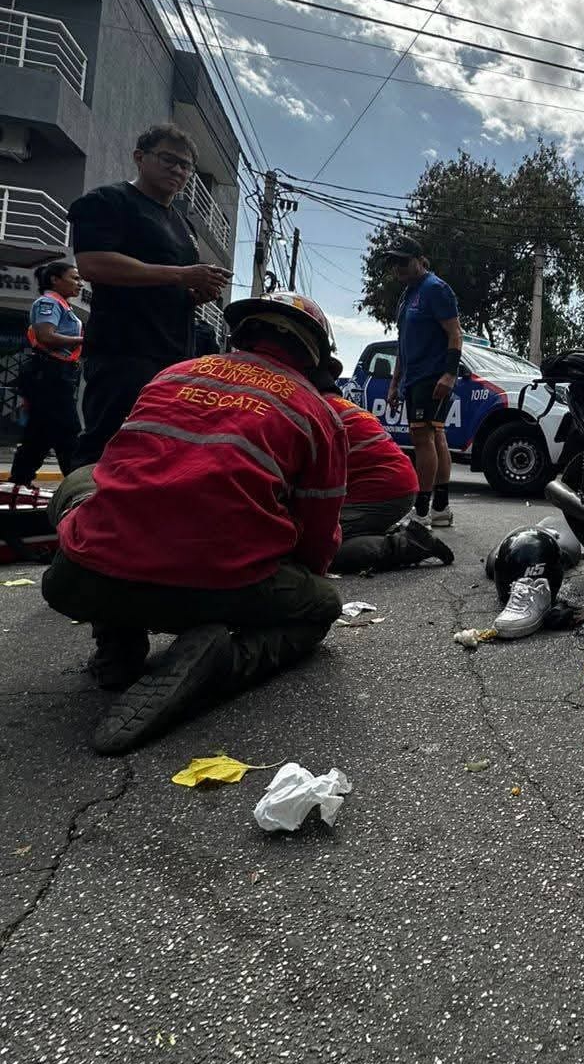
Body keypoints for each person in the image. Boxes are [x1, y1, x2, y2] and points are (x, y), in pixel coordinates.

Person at [41, 291, 348, 756]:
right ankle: (224, 661)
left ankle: (117, 648)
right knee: (321, 603)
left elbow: (121, 471)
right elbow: (318, 536)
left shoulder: (171, 375)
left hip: (76, 580)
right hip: (214, 589)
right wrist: (296, 577)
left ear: (240, 335)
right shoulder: (315, 412)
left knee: (85, 480)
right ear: (314, 357)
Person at [68, 124, 231, 468]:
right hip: (123, 353)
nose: (178, 170)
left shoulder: (183, 226)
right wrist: (181, 275)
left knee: (158, 454)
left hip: (172, 356)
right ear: (140, 158)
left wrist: (196, 292)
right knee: (108, 446)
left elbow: (174, 288)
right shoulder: (109, 201)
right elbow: (92, 263)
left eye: (185, 165)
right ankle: (81, 517)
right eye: (168, 159)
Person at [308, 359, 452, 573]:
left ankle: (405, 545)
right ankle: (382, 531)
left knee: (313, 548)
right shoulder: (342, 405)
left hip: (383, 493)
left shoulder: (314, 410)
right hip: (395, 486)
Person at [384, 237, 462, 528]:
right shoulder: (407, 296)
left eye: (403, 261)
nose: (398, 268)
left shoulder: (435, 289)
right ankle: (440, 509)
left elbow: (455, 333)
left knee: (423, 438)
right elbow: (403, 344)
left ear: (419, 259)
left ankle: (421, 511)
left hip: (432, 376)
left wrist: (450, 374)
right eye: (393, 263)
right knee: (435, 436)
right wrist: (394, 382)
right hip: (413, 377)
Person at [10, 260, 84, 486]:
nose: (80, 284)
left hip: (55, 374)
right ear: (55, 279)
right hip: (48, 374)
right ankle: (78, 487)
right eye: (74, 278)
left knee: (40, 434)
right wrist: (85, 341)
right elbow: (46, 336)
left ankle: (19, 482)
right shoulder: (48, 302)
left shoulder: (62, 305)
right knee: (68, 430)